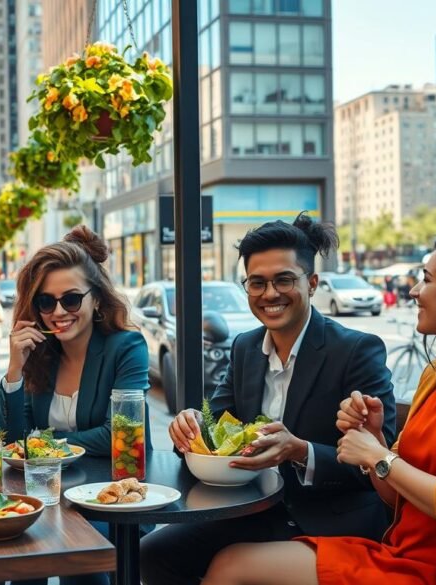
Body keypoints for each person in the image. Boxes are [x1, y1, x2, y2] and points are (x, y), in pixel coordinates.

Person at [203, 234, 436, 585]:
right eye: (257, 283)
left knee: (232, 567)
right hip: (398, 553)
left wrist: (378, 454)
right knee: (228, 562)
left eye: (425, 280)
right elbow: (396, 498)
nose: (412, 292)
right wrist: (372, 438)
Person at [140, 212, 396, 585]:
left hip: (331, 520)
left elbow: (378, 462)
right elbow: (216, 427)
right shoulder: (245, 347)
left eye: (283, 280)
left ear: (311, 283)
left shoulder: (356, 350)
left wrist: (299, 450)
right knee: (152, 552)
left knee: (226, 563)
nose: (270, 294)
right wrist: (191, 424)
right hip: (257, 510)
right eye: (256, 283)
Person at [0, 226, 150, 456]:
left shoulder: (127, 347)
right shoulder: (38, 351)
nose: (58, 312)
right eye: (46, 301)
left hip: (112, 486)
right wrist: (15, 370)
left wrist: (39, 443)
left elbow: (120, 437)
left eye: (71, 299)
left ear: (96, 298)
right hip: (46, 488)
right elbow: (8, 442)